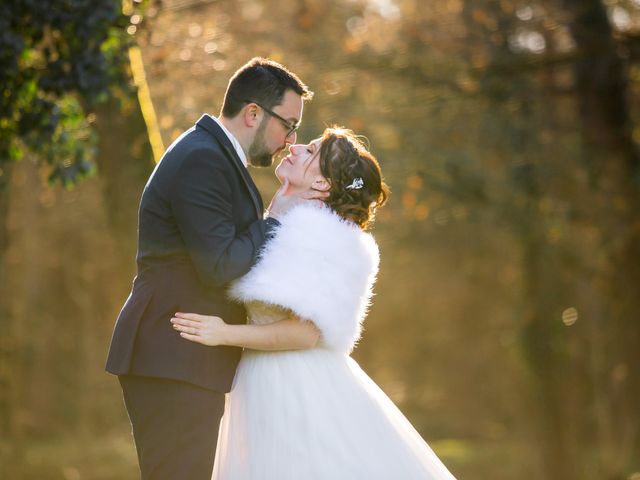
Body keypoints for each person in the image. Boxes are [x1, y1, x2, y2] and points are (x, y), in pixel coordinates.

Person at [171, 127, 457, 479]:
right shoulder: (285, 224)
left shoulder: (317, 234)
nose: (296, 147)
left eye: (311, 151)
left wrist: (224, 333)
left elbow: (304, 333)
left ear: (322, 186)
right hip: (261, 380)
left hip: (294, 385)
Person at [105, 57, 320, 480]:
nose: (291, 140)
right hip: (172, 353)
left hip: (183, 357)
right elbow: (219, 265)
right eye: (288, 125)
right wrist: (275, 220)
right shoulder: (203, 158)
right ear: (254, 113)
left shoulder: (213, 155)